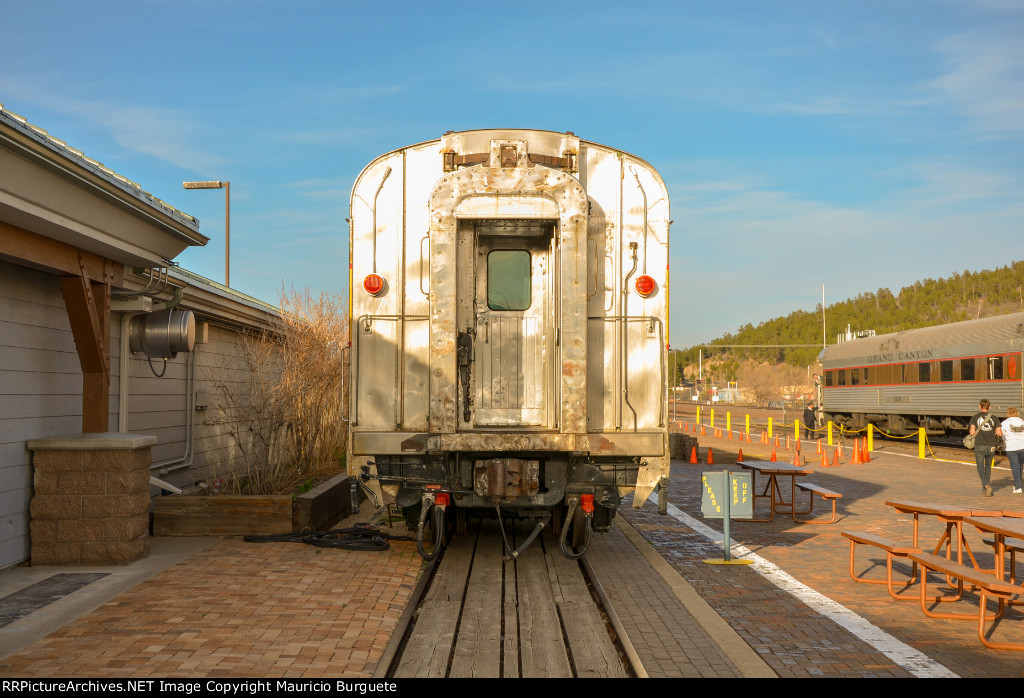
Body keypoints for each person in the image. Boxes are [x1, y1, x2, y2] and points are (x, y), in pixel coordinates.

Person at [969, 399, 1004, 497]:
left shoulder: (975, 417)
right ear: (989, 407)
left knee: (980, 467)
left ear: (979, 406)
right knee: (988, 467)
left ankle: (987, 486)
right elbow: (999, 433)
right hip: (991, 446)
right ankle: (984, 491)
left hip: (979, 446)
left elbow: (972, 432)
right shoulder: (994, 418)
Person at [1001, 406, 1024, 494]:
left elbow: (1002, 435)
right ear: (1017, 413)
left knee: (1015, 467)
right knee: (1020, 466)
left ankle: (1018, 487)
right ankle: (1018, 483)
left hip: (1011, 448)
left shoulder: (1005, 423)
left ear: (1008, 413)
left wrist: (1004, 442)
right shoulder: (1022, 422)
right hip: (1022, 447)